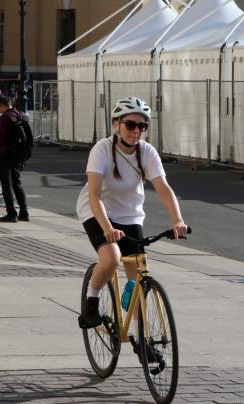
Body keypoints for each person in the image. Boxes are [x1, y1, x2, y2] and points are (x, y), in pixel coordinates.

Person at [76, 97, 188, 339]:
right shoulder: (102, 149)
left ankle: (142, 339)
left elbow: (163, 188)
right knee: (112, 257)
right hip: (96, 212)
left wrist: (177, 220)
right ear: (116, 124)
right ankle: (91, 303)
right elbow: (94, 195)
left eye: (142, 126)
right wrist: (107, 228)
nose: (136, 131)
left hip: (129, 214)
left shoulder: (147, 152)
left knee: (137, 275)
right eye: (130, 124)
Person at [0, 96, 29, 222]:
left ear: (2, 105)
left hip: (5, 154)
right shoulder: (22, 115)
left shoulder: (5, 118)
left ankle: (11, 212)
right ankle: (24, 212)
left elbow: (2, 137)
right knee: (17, 183)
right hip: (19, 154)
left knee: (6, 185)